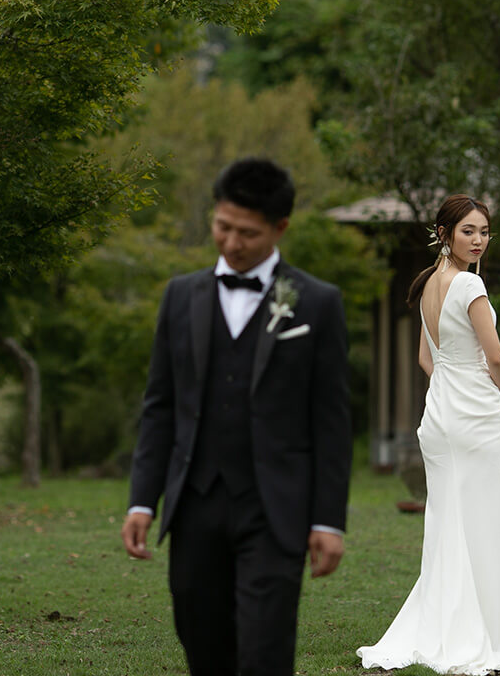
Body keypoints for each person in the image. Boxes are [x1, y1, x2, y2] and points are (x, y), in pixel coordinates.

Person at [122, 157, 352, 676]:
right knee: (201, 641)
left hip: (275, 509)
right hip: (195, 505)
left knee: (265, 650)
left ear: (280, 229)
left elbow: (332, 422)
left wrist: (327, 520)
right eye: (222, 227)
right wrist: (142, 499)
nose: (230, 243)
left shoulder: (317, 303)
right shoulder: (180, 296)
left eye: (247, 233)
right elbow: (159, 406)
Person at [357, 194, 500, 675]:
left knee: (449, 523)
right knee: (484, 522)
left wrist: (456, 392)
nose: (478, 240)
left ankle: (444, 627)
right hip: (474, 418)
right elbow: (495, 359)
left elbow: (428, 361)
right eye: (468, 230)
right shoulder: (469, 287)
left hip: (440, 419)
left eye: (485, 232)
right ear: (446, 233)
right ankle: (477, 634)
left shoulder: (429, 283)